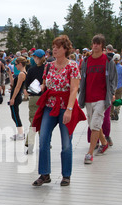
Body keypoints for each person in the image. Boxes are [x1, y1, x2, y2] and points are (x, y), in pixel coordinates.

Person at [31, 35, 85, 187]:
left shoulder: (72, 66)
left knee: (66, 143)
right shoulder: (48, 65)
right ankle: (44, 173)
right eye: (53, 46)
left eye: (58, 47)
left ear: (66, 49)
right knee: (43, 140)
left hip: (65, 106)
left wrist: (69, 109)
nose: (54, 49)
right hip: (50, 105)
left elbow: (74, 89)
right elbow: (45, 84)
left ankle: (66, 175)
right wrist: (39, 88)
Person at [78, 34, 118, 164]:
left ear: (102, 46)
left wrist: (111, 93)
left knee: (95, 124)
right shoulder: (86, 61)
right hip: (88, 97)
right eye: (94, 43)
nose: (95, 45)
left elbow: (113, 79)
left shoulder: (108, 61)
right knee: (92, 124)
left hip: (101, 97)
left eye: (98, 43)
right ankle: (104, 142)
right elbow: (83, 79)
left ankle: (90, 153)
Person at [24, 49, 46, 154]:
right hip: (45, 98)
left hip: (33, 98)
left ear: (37, 58)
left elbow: (27, 84)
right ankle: (45, 142)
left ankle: (30, 144)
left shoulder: (31, 70)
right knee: (44, 121)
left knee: (33, 122)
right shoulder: (47, 69)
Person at [8, 56, 27, 141]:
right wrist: (10, 74)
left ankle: (21, 133)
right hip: (16, 95)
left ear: (20, 64)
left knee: (15, 115)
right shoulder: (21, 73)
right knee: (14, 114)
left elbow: (17, 87)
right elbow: (13, 84)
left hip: (16, 96)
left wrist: (12, 98)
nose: (15, 66)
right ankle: (20, 132)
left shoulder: (22, 74)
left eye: (16, 64)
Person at [112, 54, 122, 120]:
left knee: (111, 100)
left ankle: (111, 113)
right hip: (119, 86)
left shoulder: (111, 68)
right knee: (118, 99)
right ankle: (117, 110)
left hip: (112, 86)